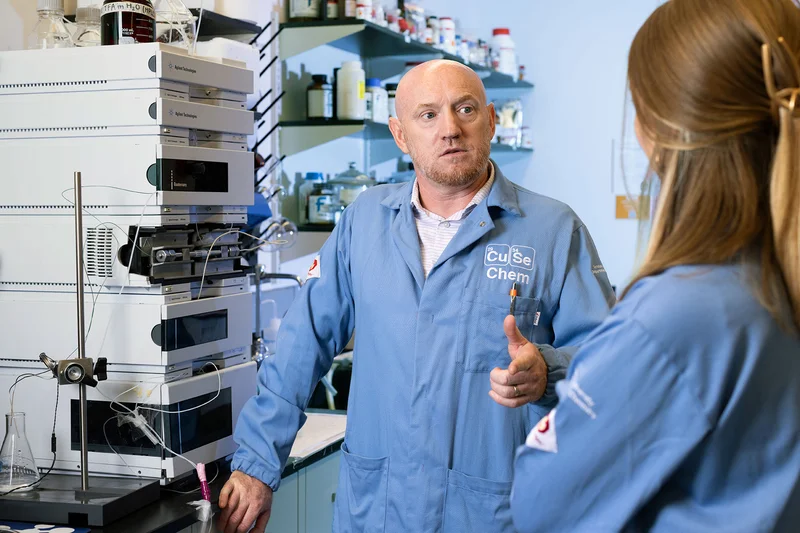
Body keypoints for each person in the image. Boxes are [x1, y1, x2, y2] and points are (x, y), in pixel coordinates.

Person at [218, 60, 615, 533]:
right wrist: (257, 463)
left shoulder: (553, 230)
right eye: (428, 115)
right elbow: (301, 345)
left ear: (490, 121)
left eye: (465, 109)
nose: (450, 129)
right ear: (400, 135)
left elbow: (608, 361)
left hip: (493, 514)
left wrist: (549, 370)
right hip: (377, 511)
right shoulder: (364, 221)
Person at [510, 0, 800, 531]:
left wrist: (568, 390)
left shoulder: (679, 310)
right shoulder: (772, 279)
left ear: (659, 131)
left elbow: (544, 502)